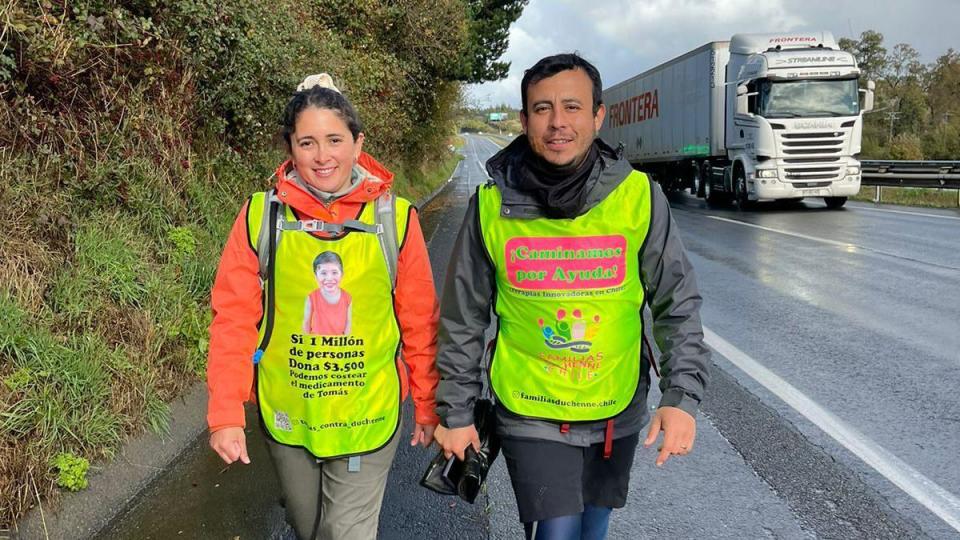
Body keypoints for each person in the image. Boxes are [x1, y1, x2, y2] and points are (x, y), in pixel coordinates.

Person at [433, 53, 710, 539]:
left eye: (572, 107)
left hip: (613, 412)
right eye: (542, 109)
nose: (558, 122)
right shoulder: (491, 206)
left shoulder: (639, 196)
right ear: (524, 120)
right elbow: (462, 318)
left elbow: (676, 304)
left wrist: (682, 397)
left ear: (598, 115)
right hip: (529, 409)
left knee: (593, 529)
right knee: (558, 531)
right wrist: (456, 412)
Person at [206, 74, 440, 540]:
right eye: (307, 142)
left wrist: (429, 403)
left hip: (367, 415)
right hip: (290, 413)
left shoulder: (395, 218)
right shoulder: (261, 216)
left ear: (358, 143)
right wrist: (226, 413)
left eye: (335, 139)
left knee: (345, 533)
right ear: (290, 148)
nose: (323, 155)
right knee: (309, 527)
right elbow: (234, 318)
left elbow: (420, 320)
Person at [303, 251, 352, 335]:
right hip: (317, 344)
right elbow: (306, 323)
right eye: (323, 273)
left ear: (342, 274)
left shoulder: (347, 297)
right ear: (316, 275)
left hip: (338, 344)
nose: (329, 278)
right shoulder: (312, 297)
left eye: (334, 272)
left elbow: (348, 324)